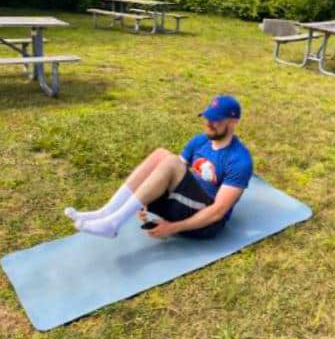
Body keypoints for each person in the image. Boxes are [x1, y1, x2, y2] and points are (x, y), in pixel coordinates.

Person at [64, 95, 253, 240]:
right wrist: (146, 196)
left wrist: (172, 228)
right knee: (161, 154)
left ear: (233, 122)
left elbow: (218, 212)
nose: (208, 123)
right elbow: (170, 172)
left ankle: (113, 224)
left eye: (216, 120)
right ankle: (106, 212)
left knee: (170, 161)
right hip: (182, 204)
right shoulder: (200, 141)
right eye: (207, 117)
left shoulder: (239, 160)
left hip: (205, 224)